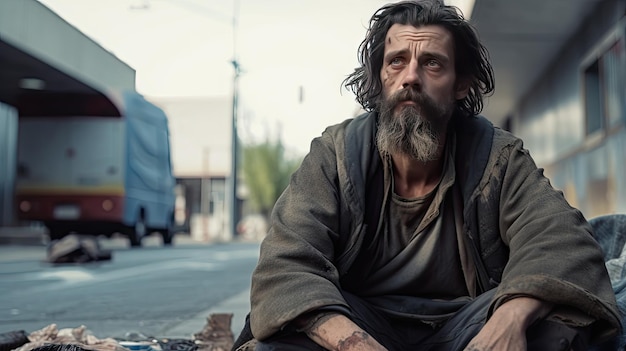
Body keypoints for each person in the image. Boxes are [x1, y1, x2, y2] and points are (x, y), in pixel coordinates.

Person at [233, 1, 622, 350]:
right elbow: (285, 264)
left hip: (467, 327)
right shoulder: (335, 155)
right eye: (396, 61)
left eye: (432, 63)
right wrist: (352, 343)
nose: (411, 77)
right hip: (361, 323)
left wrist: (510, 319)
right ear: (380, 77)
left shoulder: (497, 158)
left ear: (461, 84)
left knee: (554, 329)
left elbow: (562, 241)